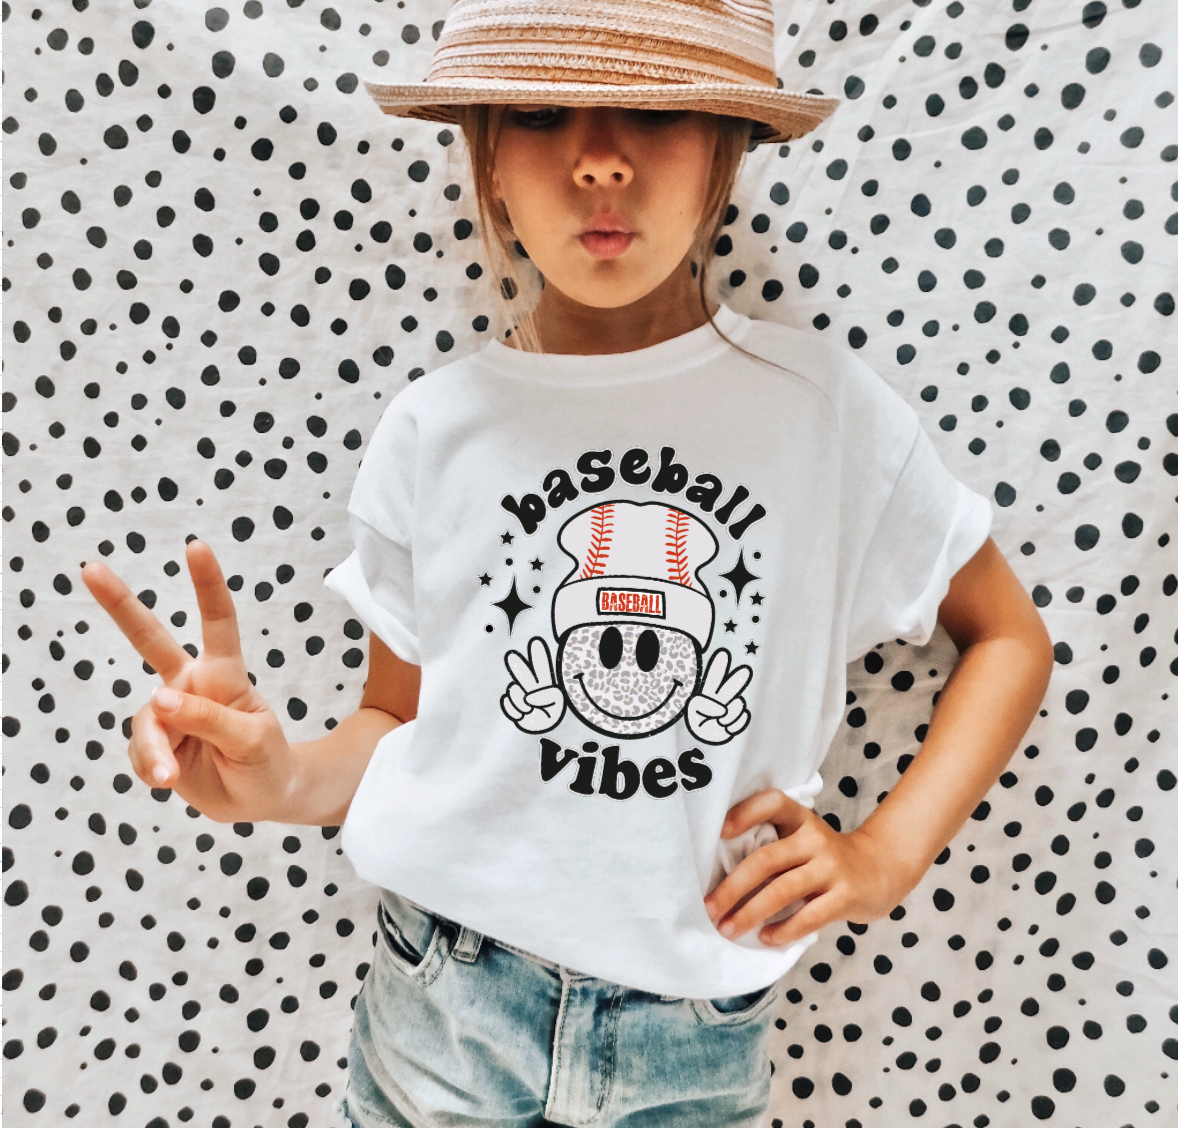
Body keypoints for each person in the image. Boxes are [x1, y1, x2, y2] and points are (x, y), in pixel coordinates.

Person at [80, 1, 1056, 1125]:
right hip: (443, 1003)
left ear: (727, 148)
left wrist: (885, 855)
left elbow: (1007, 637)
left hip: (697, 1032)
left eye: (656, 110)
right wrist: (280, 780)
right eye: (543, 113)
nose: (599, 160)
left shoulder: (822, 414)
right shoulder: (434, 429)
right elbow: (395, 726)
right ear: (488, 160)